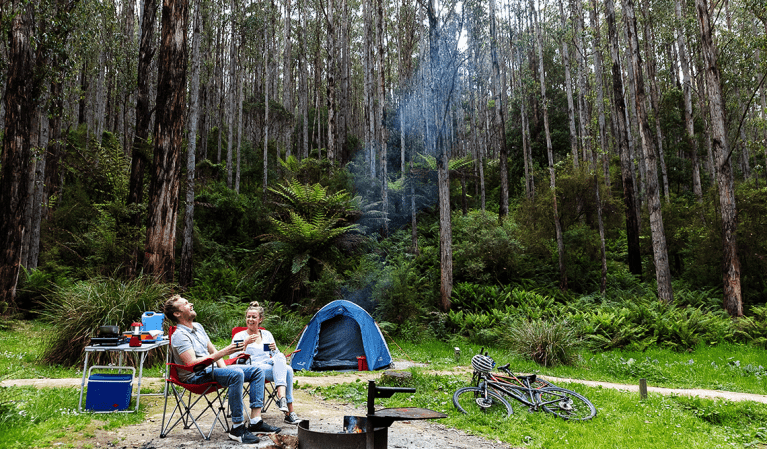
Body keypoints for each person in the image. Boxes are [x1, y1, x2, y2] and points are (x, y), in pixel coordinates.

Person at [163, 295, 282, 444]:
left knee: (256, 370)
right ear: (177, 314)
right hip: (195, 376)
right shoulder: (179, 336)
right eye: (186, 304)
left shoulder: (198, 327)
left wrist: (226, 369)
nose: (191, 304)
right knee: (236, 373)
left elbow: (212, 350)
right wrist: (226, 354)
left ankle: (256, 422)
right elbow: (192, 365)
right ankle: (237, 428)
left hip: (211, 370)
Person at [230, 301, 300, 424]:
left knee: (284, 362)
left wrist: (274, 349)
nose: (250, 319)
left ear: (260, 319)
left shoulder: (266, 335)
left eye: (254, 317)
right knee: (287, 370)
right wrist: (245, 344)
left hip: (267, 364)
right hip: (252, 368)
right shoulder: (240, 335)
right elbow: (234, 359)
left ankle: (283, 401)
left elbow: (273, 355)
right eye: (248, 317)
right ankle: (287, 409)